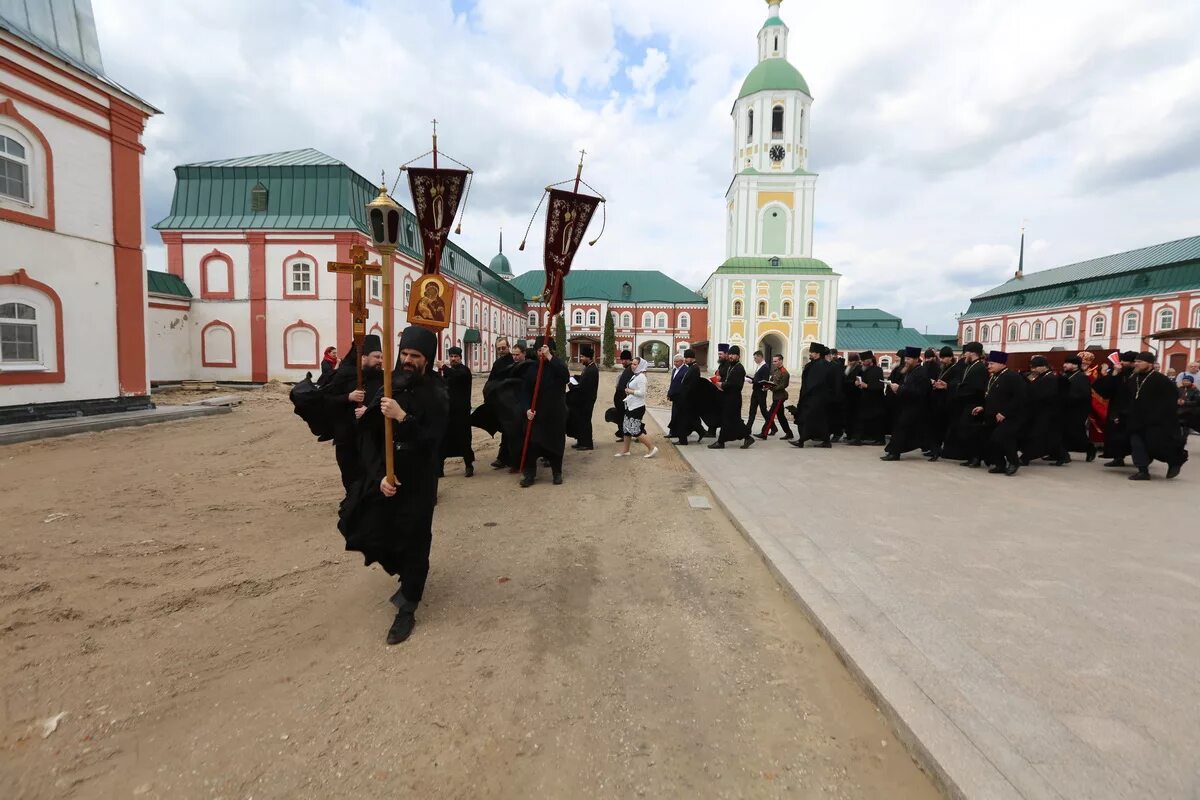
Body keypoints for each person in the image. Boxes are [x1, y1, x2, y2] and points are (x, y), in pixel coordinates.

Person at [338, 325, 447, 645]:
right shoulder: (389, 384)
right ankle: (405, 573)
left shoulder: (437, 392)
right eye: (405, 354)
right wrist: (380, 475)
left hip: (419, 479)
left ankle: (408, 606)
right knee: (373, 525)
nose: (408, 360)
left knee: (415, 538)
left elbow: (433, 440)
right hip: (389, 476)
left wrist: (403, 418)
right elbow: (370, 438)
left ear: (427, 359)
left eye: (415, 356)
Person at [324, 335, 384, 492]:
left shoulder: (382, 377)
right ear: (363, 357)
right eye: (377, 357)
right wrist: (348, 397)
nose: (380, 361)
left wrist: (369, 410)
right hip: (347, 438)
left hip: (372, 438)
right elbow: (327, 400)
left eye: (381, 357)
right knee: (351, 478)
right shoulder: (344, 375)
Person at [1126, 352, 1187, 480]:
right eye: (1136, 361)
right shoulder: (1133, 379)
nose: (1136, 364)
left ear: (1150, 364)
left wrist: (1159, 416)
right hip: (1137, 420)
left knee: (1159, 446)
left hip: (1157, 421)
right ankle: (1143, 471)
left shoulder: (1161, 380)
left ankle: (1174, 462)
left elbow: (1170, 400)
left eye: (1140, 362)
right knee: (1137, 443)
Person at [520, 337, 570, 487]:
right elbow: (524, 392)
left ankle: (557, 473)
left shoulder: (557, 366)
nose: (541, 353)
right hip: (536, 415)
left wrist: (550, 357)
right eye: (539, 351)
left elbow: (565, 377)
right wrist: (526, 409)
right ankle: (529, 474)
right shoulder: (531, 369)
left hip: (555, 414)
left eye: (545, 351)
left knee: (556, 444)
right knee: (532, 444)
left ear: (551, 351)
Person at [978, 350, 1027, 475]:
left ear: (1001, 363)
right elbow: (990, 395)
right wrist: (983, 407)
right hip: (993, 416)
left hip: (1010, 417)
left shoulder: (1012, 376)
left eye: (992, 363)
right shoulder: (994, 376)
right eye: (988, 363)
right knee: (992, 440)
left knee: (1001, 438)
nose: (989, 366)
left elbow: (1019, 397)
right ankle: (1000, 464)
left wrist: (1005, 412)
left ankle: (1014, 462)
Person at [881, 347, 931, 461]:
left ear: (916, 359)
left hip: (915, 407)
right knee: (901, 429)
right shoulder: (911, 371)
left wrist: (900, 389)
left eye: (908, 359)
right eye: (906, 359)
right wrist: (898, 389)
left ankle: (894, 453)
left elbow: (919, 391)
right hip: (906, 405)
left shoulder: (921, 372)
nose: (906, 361)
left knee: (902, 430)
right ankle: (894, 452)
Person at [1019, 356, 1066, 467]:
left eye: (1035, 367)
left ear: (1044, 367)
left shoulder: (1050, 378)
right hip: (1041, 411)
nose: (1033, 370)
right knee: (1050, 436)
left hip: (1047, 412)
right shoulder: (1043, 377)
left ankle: (1025, 457)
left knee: (1036, 435)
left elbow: (1044, 395)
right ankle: (1062, 456)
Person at [790, 343, 838, 448]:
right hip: (814, 397)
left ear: (817, 354)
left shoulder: (820, 365)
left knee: (808, 418)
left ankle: (801, 440)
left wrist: (806, 394)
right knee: (820, 420)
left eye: (812, 352)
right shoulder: (814, 364)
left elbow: (815, 382)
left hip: (816, 397)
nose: (810, 354)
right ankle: (826, 441)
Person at [948, 342, 988, 467]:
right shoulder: (971, 366)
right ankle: (971, 457)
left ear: (972, 353)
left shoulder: (979, 368)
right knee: (965, 431)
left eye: (966, 352)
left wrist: (959, 389)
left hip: (974, 404)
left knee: (971, 432)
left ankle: (976, 458)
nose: (965, 355)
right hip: (967, 403)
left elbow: (975, 388)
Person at [437, 346, 475, 478]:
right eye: (451, 356)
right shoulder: (449, 372)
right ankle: (439, 468)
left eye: (456, 356)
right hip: (447, 412)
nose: (453, 359)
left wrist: (443, 367)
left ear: (460, 358)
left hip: (462, 413)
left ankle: (469, 465)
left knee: (464, 439)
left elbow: (456, 376)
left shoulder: (464, 371)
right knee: (443, 439)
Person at [708, 345, 755, 449]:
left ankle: (721, 442)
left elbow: (734, 385)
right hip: (728, 397)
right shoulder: (731, 366)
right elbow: (727, 378)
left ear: (738, 356)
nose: (731, 356)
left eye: (733, 355)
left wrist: (722, 384)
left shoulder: (739, 368)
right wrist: (719, 380)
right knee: (733, 420)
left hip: (734, 398)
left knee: (729, 420)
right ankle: (747, 437)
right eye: (730, 354)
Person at [1094, 352, 1136, 467]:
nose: (1120, 363)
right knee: (1115, 434)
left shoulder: (1136, 375)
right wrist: (1114, 373)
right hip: (1116, 407)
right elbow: (1105, 390)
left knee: (1132, 436)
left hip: (1132, 408)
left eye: (1124, 361)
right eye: (1120, 360)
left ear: (1132, 363)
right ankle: (1118, 458)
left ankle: (1141, 460)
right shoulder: (1118, 374)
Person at [616, 356, 659, 459]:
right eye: (632, 364)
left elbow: (642, 393)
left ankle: (652, 448)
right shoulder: (636, 375)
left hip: (637, 407)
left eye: (635, 364)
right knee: (626, 428)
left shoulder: (641, 377)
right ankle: (625, 451)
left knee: (634, 430)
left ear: (641, 365)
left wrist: (629, 391)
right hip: (630, 405)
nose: (633, 366)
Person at [923, 347, 960, 461]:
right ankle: (934, 449)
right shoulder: (943, 368)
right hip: (937, 400)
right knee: (934, 427)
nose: (943, 360)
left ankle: (937, 451)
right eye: (941, 357)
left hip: (946, 402)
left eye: (944, 358)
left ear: (950, 357)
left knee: (939, 428)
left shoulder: (956, 369)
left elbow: (956, 385)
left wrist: (945, 385)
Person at [1060, 355, 1097, 462]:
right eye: (1065, 363)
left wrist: (1068, 397)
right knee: (1061, 431)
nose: (1064, 365)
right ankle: (1061, 454)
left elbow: (1084, 394)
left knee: (1075, 432)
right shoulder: (1065, 375)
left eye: (1067, 363)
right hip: (1064, 408)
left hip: (1077, 409)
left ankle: (1089, 448)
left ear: (1075, 365)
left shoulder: (1081, 377)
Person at [848, 351, 886, 445]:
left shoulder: (877, 370)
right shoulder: (863, 369)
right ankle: (859, 438)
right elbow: (857, 378)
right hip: (864, 399)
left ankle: (879, 440)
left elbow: (879, 386)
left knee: (876, 421)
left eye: (864, 361)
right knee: (861, 419)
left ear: (869, 360)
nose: (862, 362)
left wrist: (867, 386)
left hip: (875, 401)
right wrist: (857, 383)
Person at [567, 344, 599, 450]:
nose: (581, 359)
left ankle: (587, 444)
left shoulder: (592, 370)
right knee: (580, 421)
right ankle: (581, 441)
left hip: (587, 401)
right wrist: (575, 377)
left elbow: (584, 387)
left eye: (583, 357)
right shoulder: (588, 367)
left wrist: (572, 386)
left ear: (589, 358)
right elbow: (583, 378)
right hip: (583, 401)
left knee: (585, 421)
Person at [757, 353, 793, 439]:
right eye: (773, 361)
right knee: (781, 416)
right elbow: (771, 381)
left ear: (781, 361)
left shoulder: (785, 373)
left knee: (770, 415)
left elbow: (783, 385)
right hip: (776, 397)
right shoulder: (775, 371)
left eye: (776, 361)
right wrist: (767, 386)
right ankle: (789, 433)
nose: (774, 363)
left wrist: (772, 387)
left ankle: (764, 433)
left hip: (780, 397)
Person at [666, 353, 690, 444]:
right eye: (674, 361)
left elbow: (682, 385)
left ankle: (678, 434)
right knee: (674, 415)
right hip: (674, 396)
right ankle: (672, 432)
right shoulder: (674, 370)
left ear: (682, 361)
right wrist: (669, 393)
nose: (675, 363)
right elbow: (672, 383)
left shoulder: (685, 370)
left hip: (681, 397)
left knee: (678, 416)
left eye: (677, 361)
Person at [612, 350, 634, 441]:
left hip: (624, 399)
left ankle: (639, 432)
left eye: (624, 360)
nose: (622, 362)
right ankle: (623, 434)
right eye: (622, 360)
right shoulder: (627, 369)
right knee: (622, 417)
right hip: (621, 399)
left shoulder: (631, 370)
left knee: (626, 418)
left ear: (629, 359)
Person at [746, 350, 771, 430]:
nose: (754, 360)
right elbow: (757, 379)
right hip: (755, 391)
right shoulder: (759, 365)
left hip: (761, 392)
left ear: (760, 357)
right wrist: (750, 378)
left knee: (763, 411)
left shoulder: (765, 367)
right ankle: (748, 428)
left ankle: (773, 427)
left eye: (755, 358)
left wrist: (753, 381)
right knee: (752, 410)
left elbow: (764, 381)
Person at [841, 352, 862, 443]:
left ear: (857, 361)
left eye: (852, 361)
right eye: (849, 360)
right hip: (847, 396)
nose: (850, 362)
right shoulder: (847, 368)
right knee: (847, 416)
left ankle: (853, 436)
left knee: (854, 417)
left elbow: (855, 381)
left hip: (855, 396)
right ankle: (848, 434)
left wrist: (850, 383)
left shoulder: (859, 369)